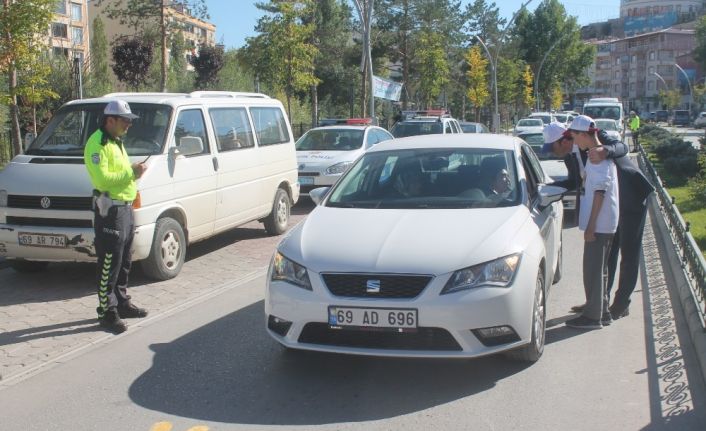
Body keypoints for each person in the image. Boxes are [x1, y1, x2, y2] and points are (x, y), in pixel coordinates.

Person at [542, 117, 654, 321]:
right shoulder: (570, 156)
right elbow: (576, 181)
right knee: (607, 255)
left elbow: (621, 146)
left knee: (628, 254)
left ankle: (621, 304)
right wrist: (547, 188)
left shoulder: (594, 138)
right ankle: (598, 302)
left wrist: (605, 151)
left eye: (553, 147)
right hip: (608, 206)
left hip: (630, 198)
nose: (552, 153)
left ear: (565, 140)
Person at [84, 100, 149, 334]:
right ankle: (106, 312)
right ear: (110, 120)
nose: (129, 125)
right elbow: (102, 180)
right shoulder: (97, 143)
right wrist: (132, 172)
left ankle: (121, 302)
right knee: (109, 263)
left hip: (125, 209)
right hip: (110, 211)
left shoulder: (116, 141)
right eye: (125, 121)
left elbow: (119, 175)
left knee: (124, 261)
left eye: (130, 121)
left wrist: (131, 173)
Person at [564, 115, 620, 329]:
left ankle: (592, 317)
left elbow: (599, 194)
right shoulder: (597, 154)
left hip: (600, 224)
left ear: (585, 134)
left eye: (575, 136)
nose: (574, 141)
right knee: (601, 270)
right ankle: (603, 312)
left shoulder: (597, 159)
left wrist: (591, 226)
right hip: (604, 223)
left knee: (593, 271)